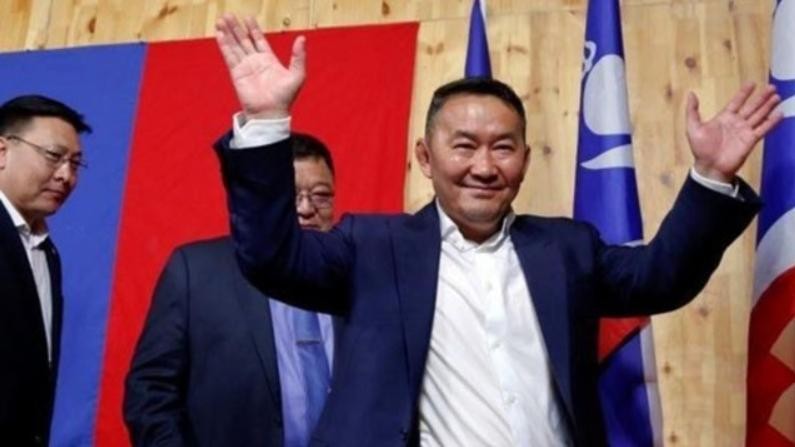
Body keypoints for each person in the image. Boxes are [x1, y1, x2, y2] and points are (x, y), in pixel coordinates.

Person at [212, 14, 783, 447]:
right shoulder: (370, 247)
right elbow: (269, 258)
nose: (484, 167)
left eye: (503, 148)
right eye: (464, 146)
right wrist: (265, 122)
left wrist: (711, 176)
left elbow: (662, 278)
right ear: (425, 157)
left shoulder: (567, 248)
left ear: (525, 160)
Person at [124, 133, 337, 447]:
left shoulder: (357, 279)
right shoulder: (196, 273)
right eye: (290, 195)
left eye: (321, 195)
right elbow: (150, 392)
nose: (306, 208)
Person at [0, 95, 91, 446]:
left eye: (76, 164)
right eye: (54, 156)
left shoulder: (45, 251)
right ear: (2, 151)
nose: (66, 175)